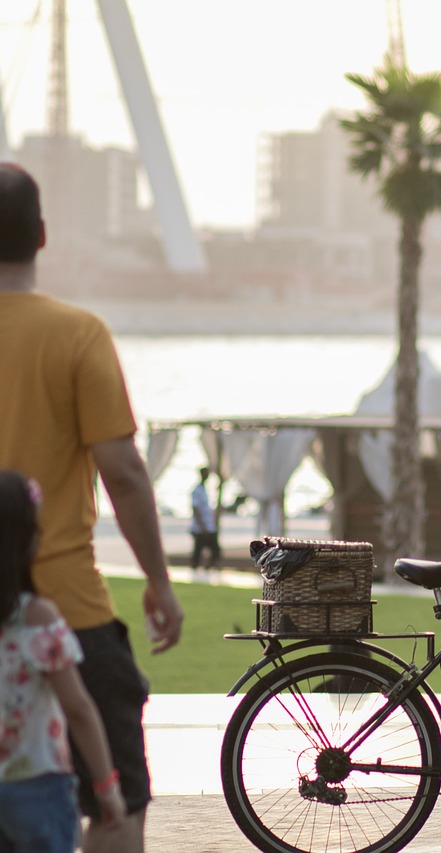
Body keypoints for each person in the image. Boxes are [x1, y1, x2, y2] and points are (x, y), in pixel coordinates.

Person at [0, 162, 184, 852]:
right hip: (70, 611)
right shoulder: (78, 334)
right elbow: (125, 475)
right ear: (42, 235)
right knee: (117, 807)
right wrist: (160, 581)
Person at [0, 471, 126, 852]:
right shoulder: (38, 618)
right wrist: (106, 786)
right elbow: (79, 708)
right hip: (38, 789)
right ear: (28, 540)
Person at [189, 466, 221, 572]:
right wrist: (202, 525)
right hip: (201, 527)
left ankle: (210, 566)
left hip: (208, 525)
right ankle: (196, 567)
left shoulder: (205, 490)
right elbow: (196, 509)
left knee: (213, 548)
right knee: (198, 549)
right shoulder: (197, 491)